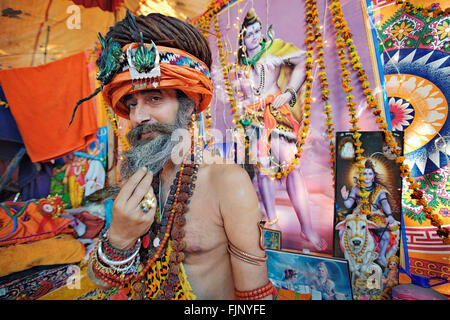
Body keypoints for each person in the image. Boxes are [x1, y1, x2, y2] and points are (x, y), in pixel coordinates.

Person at [74, 11, 272, 300]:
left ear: (189, 105)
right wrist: (119, 236)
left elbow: (258, 301)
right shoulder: (137, 176)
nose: (139, 116)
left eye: (155, 98)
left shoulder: (228, 182)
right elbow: (102, 282)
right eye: (131, 104)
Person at [233, 8, 326, 251]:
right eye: (249, 33)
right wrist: (242, 111)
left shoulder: (274, 50)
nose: (254, 36)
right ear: (242, 38)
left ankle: (307, 228)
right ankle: (272, 224)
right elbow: (241, 96)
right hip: (254, 120)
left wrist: (289, 92)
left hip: (277, 115)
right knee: (263, 170)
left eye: (257, 31)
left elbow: (303, 61)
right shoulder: (240, 65)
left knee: (290, 166)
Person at [340, 159, 397, 267]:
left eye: (370, 173)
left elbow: (385, 204)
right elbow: (348, 204)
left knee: (385, 236)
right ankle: (349, 256)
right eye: (365, 173)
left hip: (374, 215)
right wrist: (345, 197)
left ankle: (381, 256)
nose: (367, 176)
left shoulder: (379, 189)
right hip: (359, 214)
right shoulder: (357, 188)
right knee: (342, 232)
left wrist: (389, 215)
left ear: (373, 175)